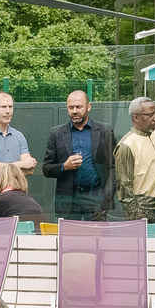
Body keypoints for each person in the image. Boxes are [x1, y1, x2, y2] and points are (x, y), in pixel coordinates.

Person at [42, 89, 114, 221]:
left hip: (95, 197)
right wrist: (64, 166)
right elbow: (46, 169)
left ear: (89, 107)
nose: (74, 111)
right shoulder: (57, 134)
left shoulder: (105, 131)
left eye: (79, 107)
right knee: (69, 240)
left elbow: (112, 167)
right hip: (68, 199)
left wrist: (106, 197)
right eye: (71, 107)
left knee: (96, 239)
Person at [114, 97, 155, 224]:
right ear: (135, 118)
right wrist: (137, 217)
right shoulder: (126, 145)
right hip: (143, 211)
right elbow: (124, 189)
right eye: (150, 115)